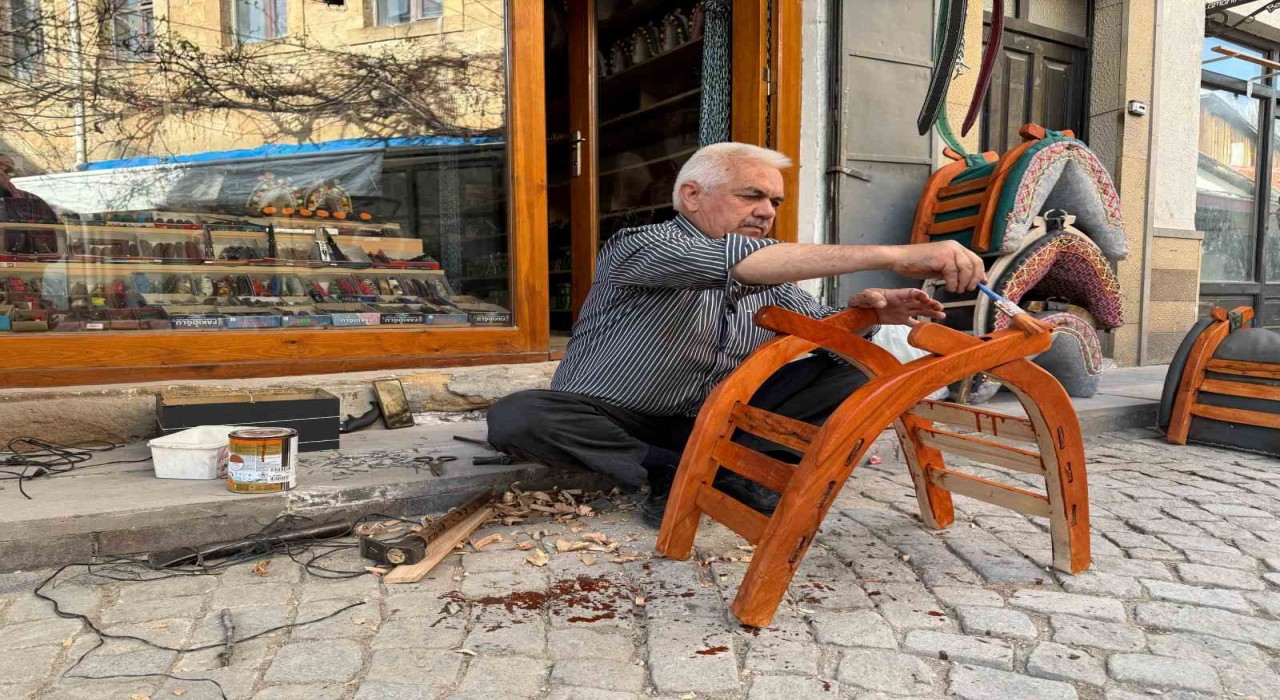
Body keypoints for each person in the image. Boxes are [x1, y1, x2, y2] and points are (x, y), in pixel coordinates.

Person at [487, 142, 985, 526]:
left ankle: (719, 470)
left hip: (710, 417)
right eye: (751, 195)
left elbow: (823, 331)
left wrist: (868, 316)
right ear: (692, 196)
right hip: (617, 417)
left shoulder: (774, 276)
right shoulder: (641, 245)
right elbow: (743, 264)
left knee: (853, 370)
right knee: (519, 415)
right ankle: (688, 472)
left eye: (774, 200)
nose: (767, 211)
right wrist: (896, 255)